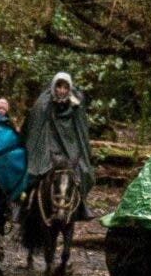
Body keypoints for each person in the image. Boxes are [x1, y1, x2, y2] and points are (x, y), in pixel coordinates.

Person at [23, 71, 96, 218]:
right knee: (33, 174)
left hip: (70, 149)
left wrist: (78, 152)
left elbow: (80, 131)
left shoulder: (76, 104)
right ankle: (22, 207)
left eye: (65, 87)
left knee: (84, 172)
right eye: (59, 86)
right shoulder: (43, 103)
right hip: (47, 147)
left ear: (69, 88)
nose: (62, 90)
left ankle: (81, 206)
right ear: (54, 87)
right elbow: (35, 129)